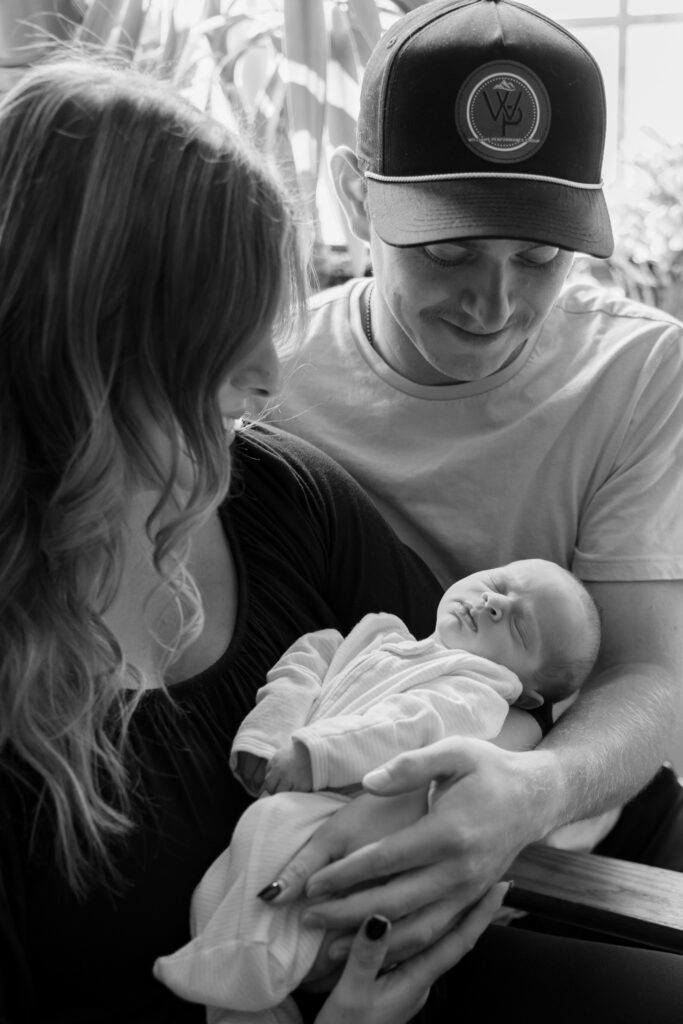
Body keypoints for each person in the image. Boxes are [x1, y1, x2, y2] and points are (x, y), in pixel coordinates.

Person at [0, 52, 513, 1024]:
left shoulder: (276, 500)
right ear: (92, 355)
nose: (272, 377)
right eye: (222, 338)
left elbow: (494, 687)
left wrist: (500, 794)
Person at [261, 0, 683, 1018]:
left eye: (538, 258)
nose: (492, 305)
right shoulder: (271, 374)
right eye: (446, 253)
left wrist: (530, 792)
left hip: (582, 830)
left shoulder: (637, 369)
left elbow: (649, 670)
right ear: (354, 196)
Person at [153, 559, 601, 1024]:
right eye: (499, 584)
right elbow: (306, 662)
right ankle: (243, 993)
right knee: (219, 886)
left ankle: (254, 964)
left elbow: (406, 726)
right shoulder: (378, 633)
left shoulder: (478, 693)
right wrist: (268, 736)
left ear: (526, 695)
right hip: (307, 801)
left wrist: (316, 754)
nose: (495, 604)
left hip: (347, 816)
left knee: (268, 826)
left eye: (519, 626)